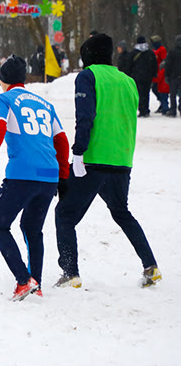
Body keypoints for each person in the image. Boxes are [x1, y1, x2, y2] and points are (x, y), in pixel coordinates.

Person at [54, 32, 161, 289]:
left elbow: (86, 116)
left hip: (93, 159)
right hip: (122, 160)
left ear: (88, 55)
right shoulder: (128, 81)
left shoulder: (88, 76)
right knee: (122, 213)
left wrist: (78, 152)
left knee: (65, 214)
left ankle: (70, 273)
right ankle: (151, 265)